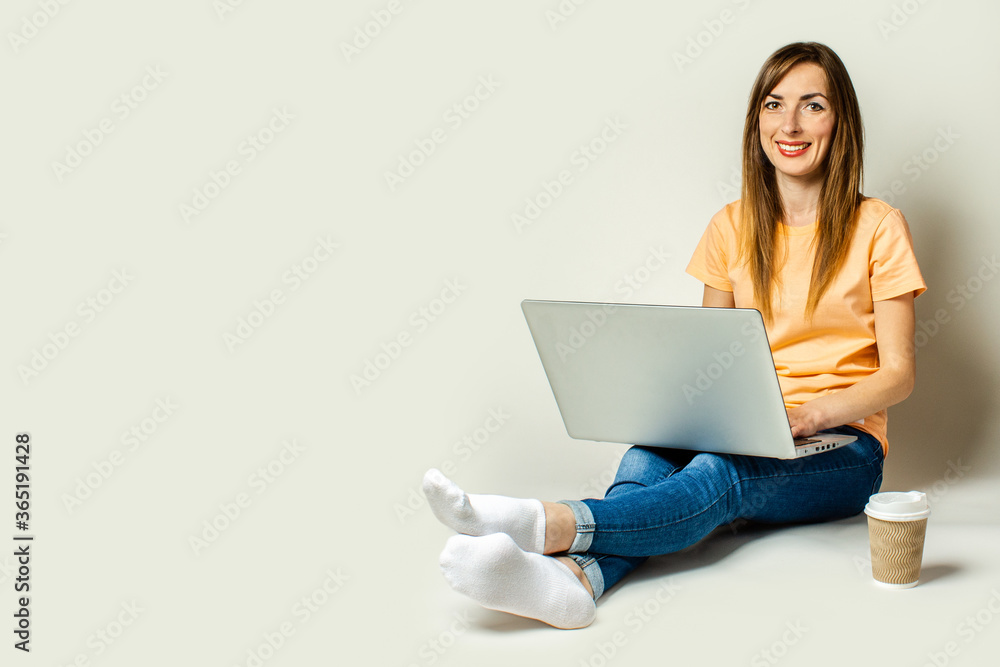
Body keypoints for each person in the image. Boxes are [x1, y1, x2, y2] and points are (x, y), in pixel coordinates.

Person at [422, 41, 926, 629]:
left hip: (842, 448)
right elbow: (709, 354)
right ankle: (576, 582)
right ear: (755, 119)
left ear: (840, 121)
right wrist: (677, 408)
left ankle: (547, 523)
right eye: (773, 104)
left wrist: (815, 413)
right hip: (747, 425)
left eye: (812, 105)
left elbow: (899, 375)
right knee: (645, 458)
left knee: (719, 472)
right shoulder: (730, 226)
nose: (789, 124)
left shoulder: (879, 227)